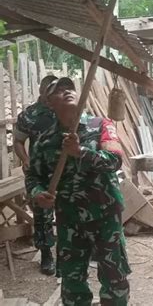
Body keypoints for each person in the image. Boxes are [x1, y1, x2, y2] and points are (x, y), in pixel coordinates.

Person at [25, 77, 130, 305]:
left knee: (114, 277)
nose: (67, 91)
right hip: (69, 218)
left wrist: (80, 151)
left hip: (105, 214)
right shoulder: (44, 141)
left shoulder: (100, 125)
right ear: (48, 101)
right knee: (72, 282)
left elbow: (115, 161)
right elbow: (33, 176)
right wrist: (37, 193)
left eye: (70, 88)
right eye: (58, 90)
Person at [13, 74, 58, 275]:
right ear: (42, 91)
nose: (53, 97)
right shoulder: (29, 115)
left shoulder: (63, 111)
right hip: (39, 173)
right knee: (42, 215)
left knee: (70, 212)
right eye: (50, 93)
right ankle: (46, 254)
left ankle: (72, 251)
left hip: (64, 172)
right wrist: (25, 159)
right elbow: (18, 142)